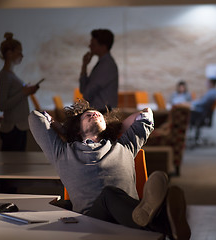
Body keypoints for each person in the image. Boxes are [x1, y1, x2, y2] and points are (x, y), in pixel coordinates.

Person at [28, 100, 191, 240]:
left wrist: (116, 127)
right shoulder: (63, 152)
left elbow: (146, 115)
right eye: (87, 116)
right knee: (108, 195)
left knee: (112, 196)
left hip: (126, 218)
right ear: (77, 129)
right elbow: (35, 117)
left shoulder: (124, 145)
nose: (94, 114)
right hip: (91, 221)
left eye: (98, 115)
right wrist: (64, 130)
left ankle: (161, 222)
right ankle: (165, 222)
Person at [0, 32, 40, 151]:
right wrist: (24, 92)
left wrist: (26, 91)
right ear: (9, 53)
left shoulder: (10, 75)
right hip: (13, 129)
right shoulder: (5, 76)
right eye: (19, 52)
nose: (22, 55)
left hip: (17, 128)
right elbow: (2, 105)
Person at [79, 29, 119, 113]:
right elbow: (83, 90)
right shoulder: (102, 64)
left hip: (103, 112)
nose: (89, 46)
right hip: (99, 111)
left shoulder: (107, 65)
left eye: (93, 45)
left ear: (103, 47)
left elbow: (87, 93)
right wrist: (84, 65)